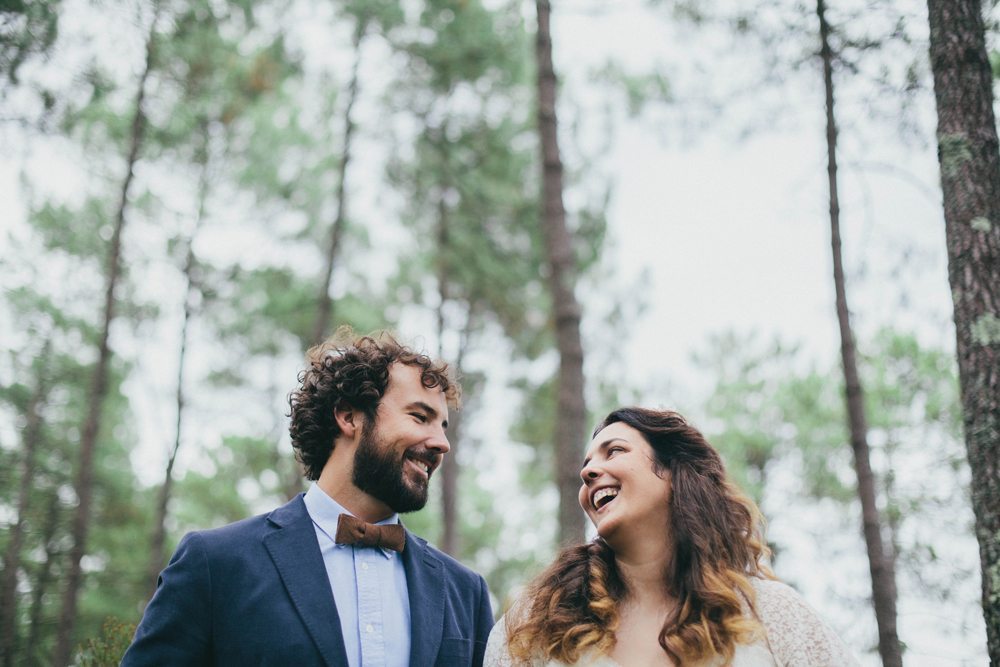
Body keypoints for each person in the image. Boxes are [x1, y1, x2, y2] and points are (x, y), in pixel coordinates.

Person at [123, 329, 494, 667]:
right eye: (419, 417)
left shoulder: (465, 591)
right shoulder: (216, 564)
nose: (442, 444)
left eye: (442, 426)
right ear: (349, 417)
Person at [485, 407, 858, 667]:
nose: (590, 472)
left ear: (674, 474)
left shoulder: (770, 613)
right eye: (586, 466)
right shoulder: (538, 623)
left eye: (614, 451)